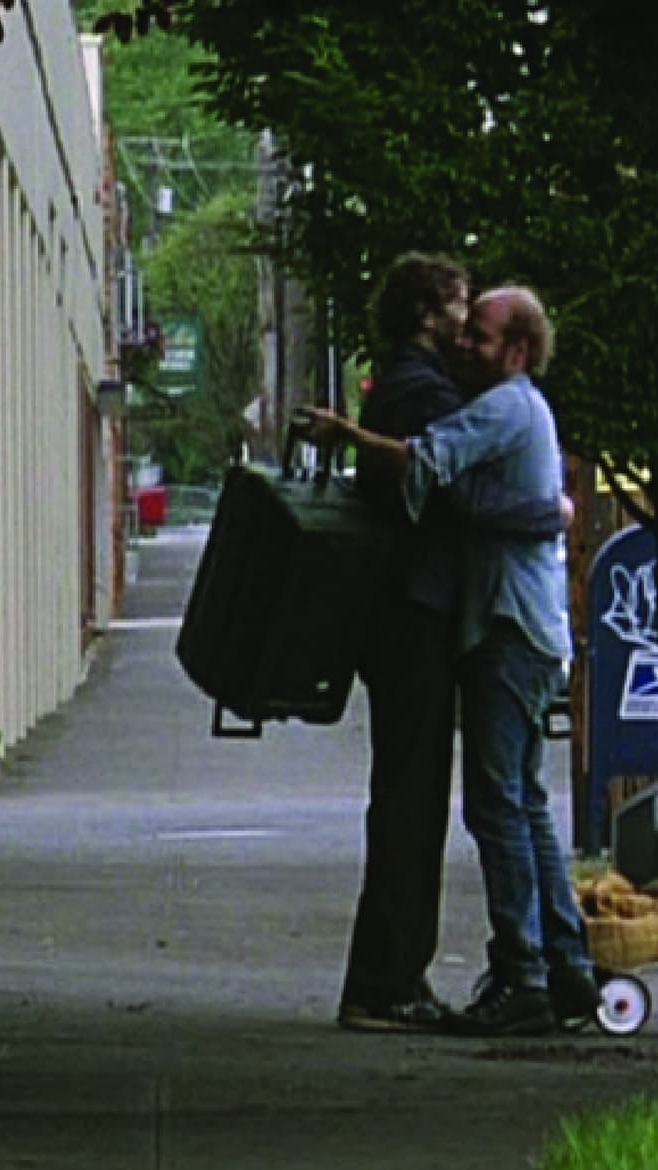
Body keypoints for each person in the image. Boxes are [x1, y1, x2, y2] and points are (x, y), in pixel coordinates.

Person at [302, 284, 600, 1037]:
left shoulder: (500, 406)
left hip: (506, 629)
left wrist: (345, 434)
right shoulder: (502, 403)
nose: (468, 338)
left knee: (497, 805)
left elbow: (427, 467)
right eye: (462, 322)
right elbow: (464, 490)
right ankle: (562, 963)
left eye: (482, 331)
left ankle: (526, 973)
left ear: (518, 350)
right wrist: (549, 513)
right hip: (525, 629)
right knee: (523, 802)